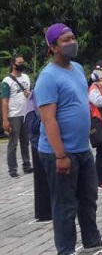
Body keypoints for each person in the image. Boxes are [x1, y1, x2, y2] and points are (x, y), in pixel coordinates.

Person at [35, 23, 102, 255]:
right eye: (66, 40)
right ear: (53, 47)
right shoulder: (47, 77)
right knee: (65, 203)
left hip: (82, 148)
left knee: (88, 196)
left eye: (73, 37)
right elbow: (48, 119)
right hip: (60, 152)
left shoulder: (78, 68)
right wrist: (60, 155)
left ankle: (91, 238)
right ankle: (65, 250)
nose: (72, 42)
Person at [2, 54, 33, 178]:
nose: (22, 64)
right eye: (19, 63)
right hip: (14, 114)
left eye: (22, 62)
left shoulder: (26, 77)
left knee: (25, 141)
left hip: (25, 113)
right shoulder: (7, 81)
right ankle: (12, 169)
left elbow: (30, 94)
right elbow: (4, 100)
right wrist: (5, 119)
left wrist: (29, 94)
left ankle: (27, 165)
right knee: (13, 143)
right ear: (13, 64)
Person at [24, 91, 52, 221]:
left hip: (48, 141)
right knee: (41, 180)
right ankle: (44, 212)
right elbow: (32, 127)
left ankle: (51, 208)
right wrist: (44, 118)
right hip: (38, 143)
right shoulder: (31, 106)